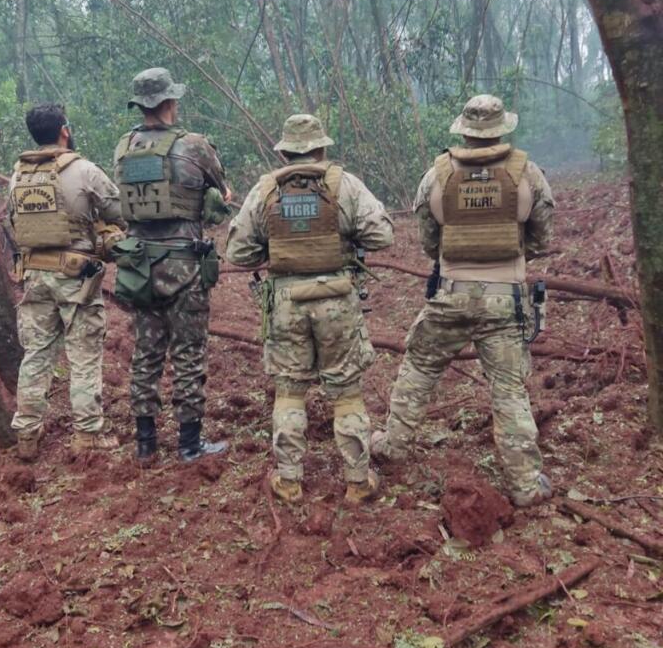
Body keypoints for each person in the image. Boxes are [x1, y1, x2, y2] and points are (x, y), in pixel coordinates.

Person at [372, 94, 555, 507]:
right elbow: (542, 240)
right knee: (508, 389)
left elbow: (428, 244)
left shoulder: (435, 176)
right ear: (502, 127)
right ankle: (525, 484)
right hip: (504, 302)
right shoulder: (529, 174)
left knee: (418, 367)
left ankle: (393, 445)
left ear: (465, 131)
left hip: (451, 296)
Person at [226, 113, 394, 504]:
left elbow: (238, 251)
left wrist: (274, 247)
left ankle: (288, 481)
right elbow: (382, 234)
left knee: (289, 390)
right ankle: (357, 481)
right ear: (321, 147)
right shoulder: (343, 184)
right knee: (347, 391)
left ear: (285, 152)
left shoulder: (266, 190)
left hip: (286, 301)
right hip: (337, 297)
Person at [113, 67, 230, 465]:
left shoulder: (123, 147)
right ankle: (189, 444)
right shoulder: (194, 146)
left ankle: (145, 444)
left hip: (140, 267)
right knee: (189, 354)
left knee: (145, 354)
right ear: (167, 103)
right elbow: (222, 191)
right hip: (185, 268)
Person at [9, 103, 125, 460]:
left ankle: (27, 432)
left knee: (37, 353)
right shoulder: (84, 170)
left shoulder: (18, 176)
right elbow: (118, 212)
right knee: (84, 353)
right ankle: (88, 433)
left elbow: (15, 224)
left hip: (34, 274)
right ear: (64, 130)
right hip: (76, 276)